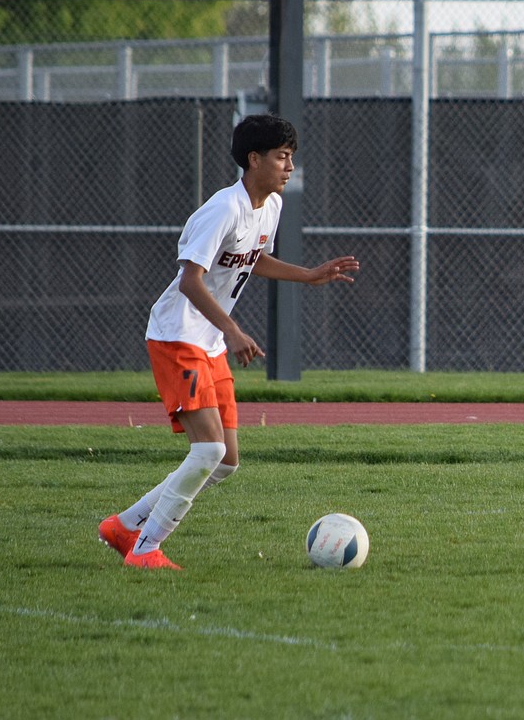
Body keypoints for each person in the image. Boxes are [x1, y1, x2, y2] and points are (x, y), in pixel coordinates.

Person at [98, 113, 360, 570]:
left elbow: (251, 260)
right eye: (282, 157)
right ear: (253, 159)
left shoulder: (270, 207)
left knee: (225, 461)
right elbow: (190, 281)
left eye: (292, 157)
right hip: (178, 336)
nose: (289, 166)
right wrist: (235, 330)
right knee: (209, 450)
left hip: (210, 342)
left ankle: (124, 526)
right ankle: (144, 549)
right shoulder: (223, 207)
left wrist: (308, 275)